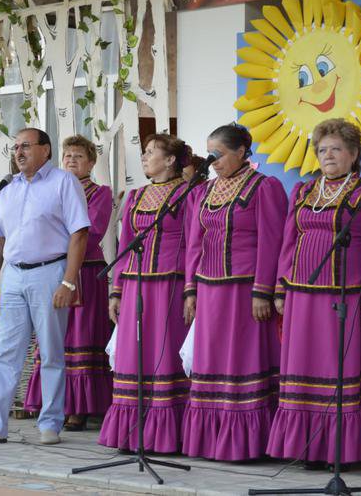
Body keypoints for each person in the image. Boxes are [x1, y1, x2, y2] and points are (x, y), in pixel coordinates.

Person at [266, 118, 361, 467]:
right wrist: (281, 287)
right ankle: (308, 448)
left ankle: (341, 450)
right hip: (301, 296)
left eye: (336, 149)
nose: (328, 155)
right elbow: (288, 242)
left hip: (346, 297)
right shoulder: (301, 191)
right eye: (322, 149)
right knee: (304, 369)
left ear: (354, 153)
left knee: (338, 370)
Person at [0, 128, 90, 445]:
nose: (19, 152)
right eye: (15, 147)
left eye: (26, 146)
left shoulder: (64, 182)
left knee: (50, 352)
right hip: (13, 276)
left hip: (49, 272)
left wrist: (68, 280)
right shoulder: (6, 189)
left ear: (46, 150)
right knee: (6, 353)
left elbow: (79, 233)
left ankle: (50, 423)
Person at [180, 123, 287, 461]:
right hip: (210, 292)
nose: (213, 161)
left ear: (241, 152)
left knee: (242, 362)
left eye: (219, 154)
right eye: (210, 154)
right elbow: (194, 244)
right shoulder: (203, 192)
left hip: (245, 290)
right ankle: (210, 441)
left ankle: (247, 444)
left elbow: (273, 242)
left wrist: (263, 290)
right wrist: (190, 289)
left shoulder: (264, 187)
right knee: (210, 362)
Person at [99, 134, 206, 453]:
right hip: (135, 284)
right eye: (143, 152)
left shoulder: (190, 194)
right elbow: (124, 244)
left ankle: (166, 435)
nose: (144, 157)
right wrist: (116, 291)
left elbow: (193, 244)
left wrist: (191, 289)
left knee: (163, 355)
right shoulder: (134, 196)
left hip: (170, 285)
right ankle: (132, 432)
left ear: (171, 159)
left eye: (150, 152)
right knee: (134, 354)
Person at [24, 135, 114, 431]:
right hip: (53, 270)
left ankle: (79, 407)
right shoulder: (52, 189)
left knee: (81, 336)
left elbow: (93, 230)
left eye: (78, 156)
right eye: (67, 156)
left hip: (86, 272)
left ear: (90, 162)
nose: (71, 160)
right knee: (53, 336)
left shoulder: (100, 193)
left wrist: (54, 241)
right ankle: (54, 402)